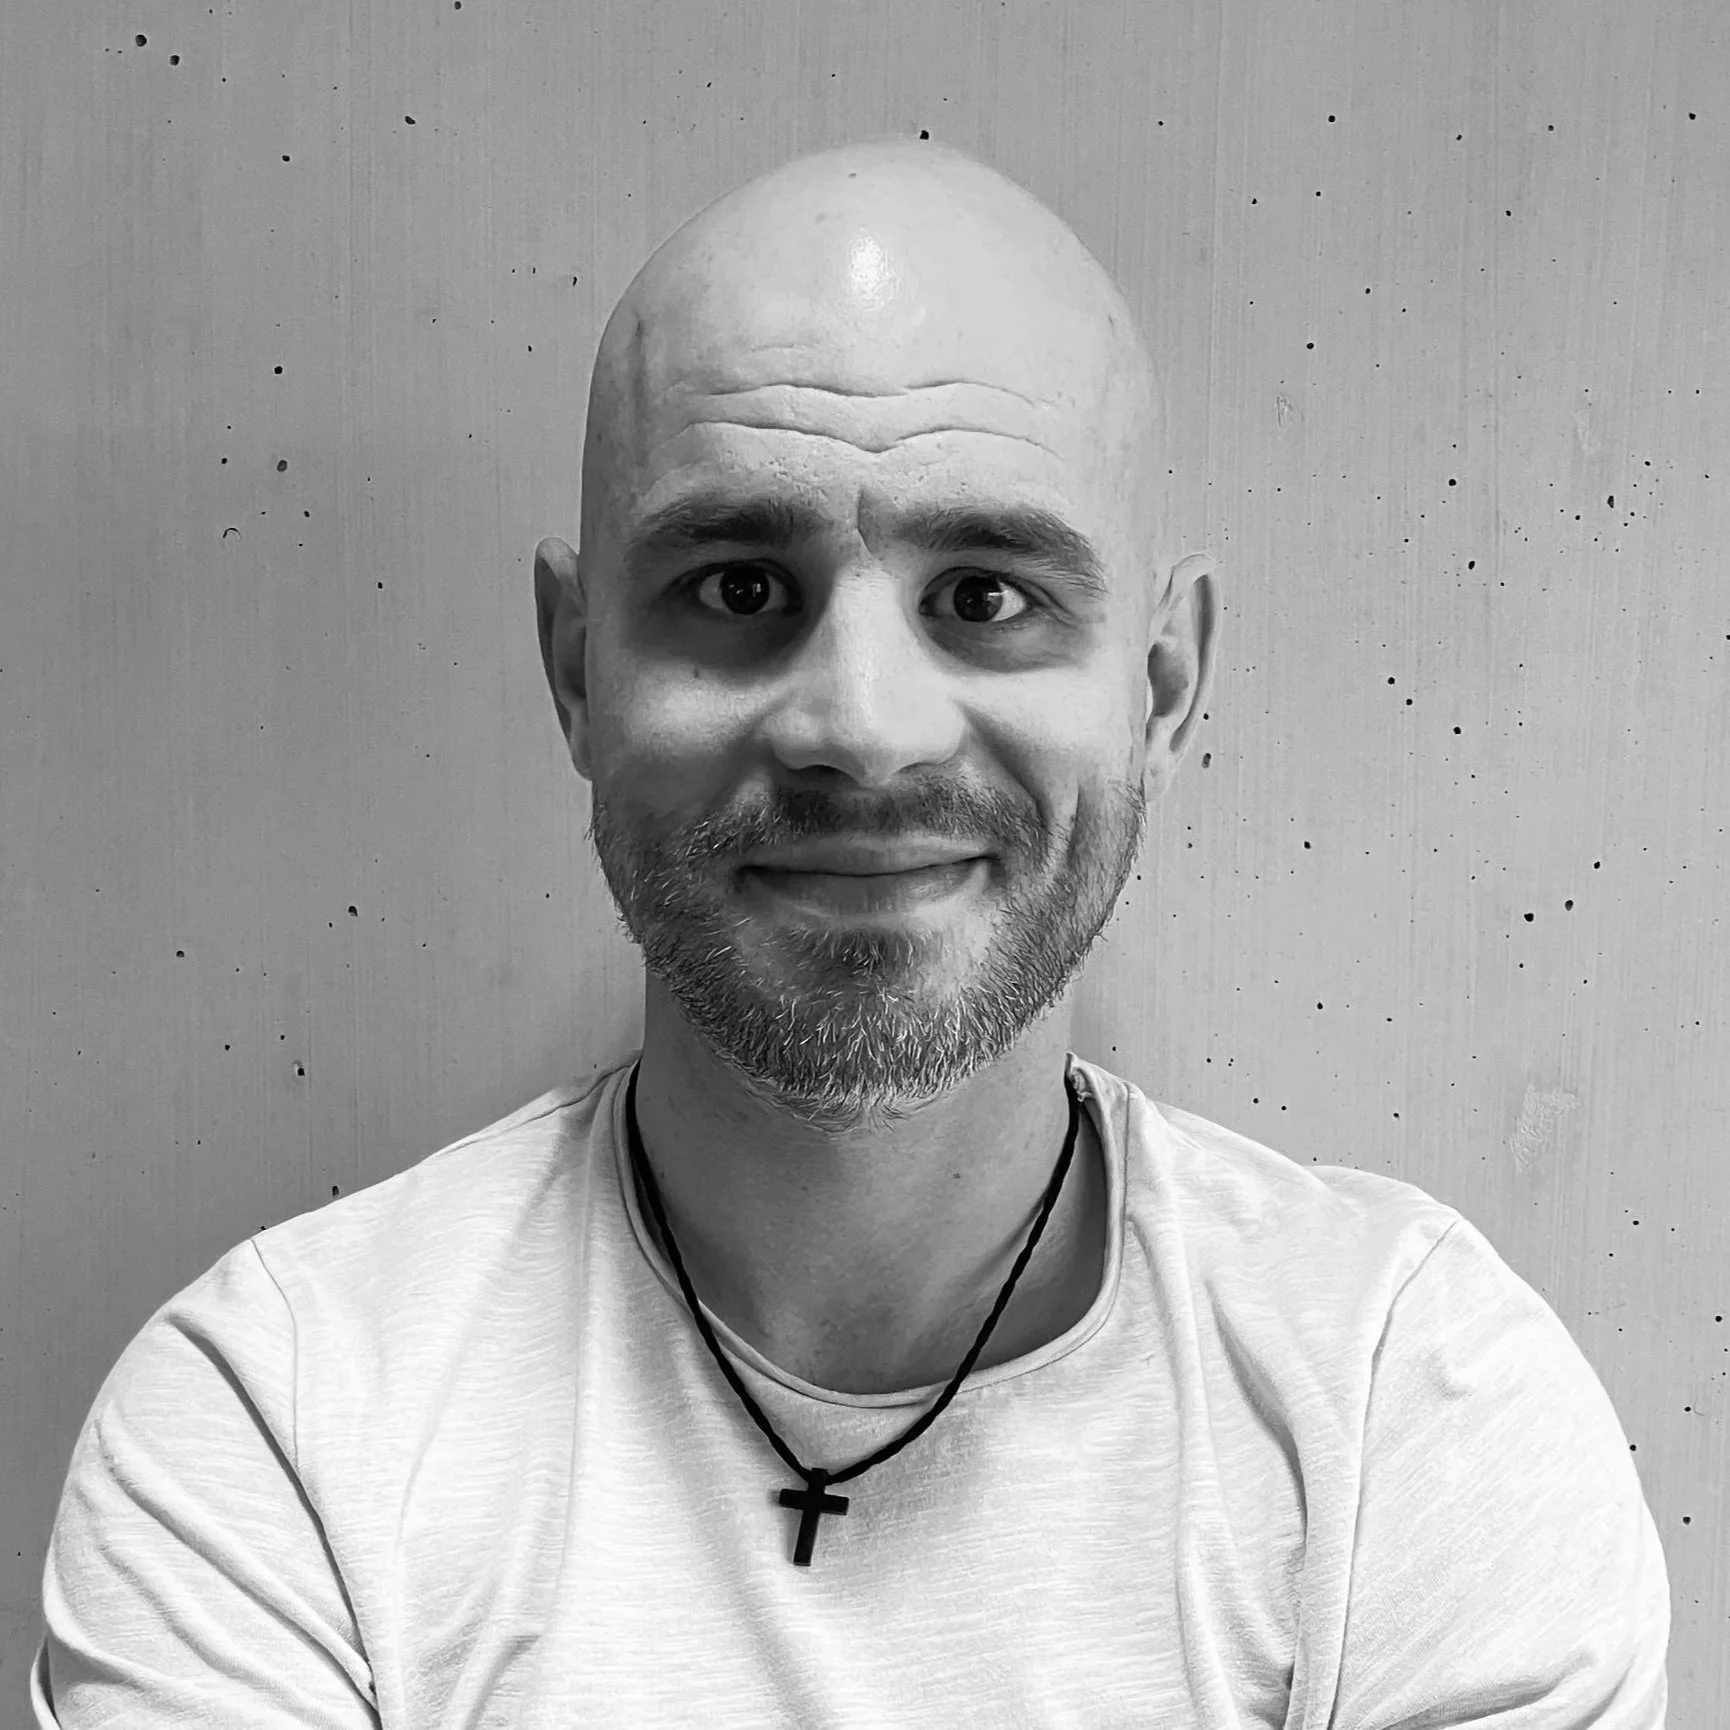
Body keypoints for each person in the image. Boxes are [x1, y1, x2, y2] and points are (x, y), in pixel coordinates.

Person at [33, 135, 1669, 1727]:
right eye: (740, 587)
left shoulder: (1415, 1407)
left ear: (1161, 689)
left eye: (987, 595)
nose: (863, 729)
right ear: (577, 669)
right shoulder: (280, 1428)